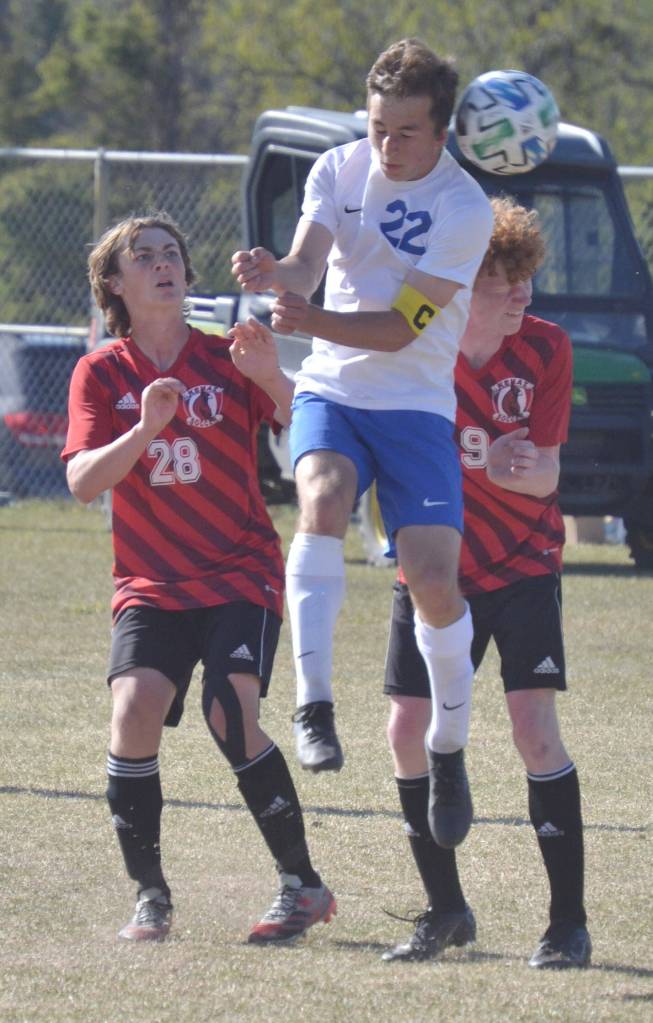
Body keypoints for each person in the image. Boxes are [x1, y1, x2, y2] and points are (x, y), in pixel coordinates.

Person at [232, 39, 494, 851]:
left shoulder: (464, 208)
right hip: (334, 391)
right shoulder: (338, 168)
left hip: (415, 404)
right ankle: (313, 703)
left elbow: (398, 327)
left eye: (405, 132)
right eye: (377, 126)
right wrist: (281, 274)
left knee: (432, 580)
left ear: (442, 131)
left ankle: (447, 747)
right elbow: (309, 261)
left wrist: (310, 318)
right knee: (320, 497)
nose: (386, 146)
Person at [62, 212, 335, 944]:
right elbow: (84, 481)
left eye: (171, 254)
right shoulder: (102, 372)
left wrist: (270, 374)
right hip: (150, 581)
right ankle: (151, 895)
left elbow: (305, 422)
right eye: (142, 257)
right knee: (133, 709)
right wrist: (143, 429)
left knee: (230, 710)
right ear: (116, 284)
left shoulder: (225, 357)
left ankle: (301, 885)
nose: (162, 264)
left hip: (238, 568)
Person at [382, 196, 591, 969]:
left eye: (526, 277)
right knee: (406, 730)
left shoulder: (544, 348)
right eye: (503, 281)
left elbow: (548, 476)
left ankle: (566, 923)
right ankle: (445, 910)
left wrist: (522, 468)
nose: (522, 294)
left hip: (522, 566)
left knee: (534, 729)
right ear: (462, 285)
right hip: (432, 572)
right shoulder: (416, 352)